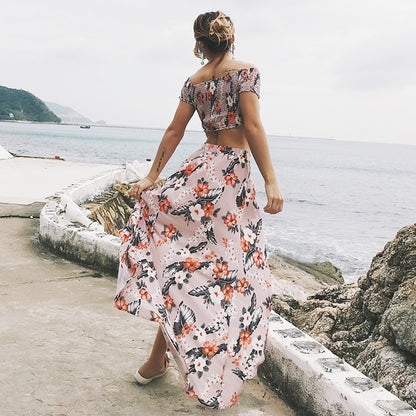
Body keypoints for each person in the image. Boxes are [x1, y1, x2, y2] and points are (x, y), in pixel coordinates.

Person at [114, 10, 284, 409]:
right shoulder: (247, 73)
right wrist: (271, 180)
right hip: (229, 179)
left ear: (199, 44)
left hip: (202, 167)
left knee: (190, 264)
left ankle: (157, 360)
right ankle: (197, 368)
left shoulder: (194, 82)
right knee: (226, 272)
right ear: (231, 37)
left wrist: (152, 177)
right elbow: (253, 127)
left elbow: (174, 132)